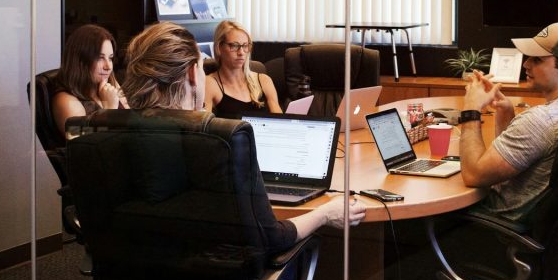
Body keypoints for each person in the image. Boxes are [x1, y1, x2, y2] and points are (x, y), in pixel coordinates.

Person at [122, 21, 365, 245]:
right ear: (192, 75)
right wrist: (325, 214)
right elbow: (271, 236)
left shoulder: (105, 135)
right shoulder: (221, 147)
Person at [454, 21, 558, 224]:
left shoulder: (541, 121)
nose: (526, 64)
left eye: (537, 60)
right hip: (541, 224)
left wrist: (471, 110)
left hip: (494, 223)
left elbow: (473, 175)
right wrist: (506, 112)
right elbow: (519, 158)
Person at [52, 24, 127, 134]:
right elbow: (86, 145)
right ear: (80, 61)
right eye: (100, 58)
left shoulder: (110, 82)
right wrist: (109, 110)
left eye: (110, 58)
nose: (108, 66)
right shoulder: (66, 100)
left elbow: (132, 122)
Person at [205, 20, 283, 115]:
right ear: (219, 48)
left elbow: (280, 122)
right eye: (234, 46)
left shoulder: (264, 80)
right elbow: (201, 126)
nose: (241, 52)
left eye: (245, 46)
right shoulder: (209, 84)